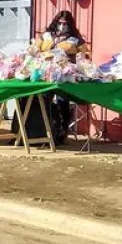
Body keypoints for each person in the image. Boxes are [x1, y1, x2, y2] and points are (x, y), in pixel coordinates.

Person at [42, 10, 86, 144]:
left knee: (63, 101)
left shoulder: (75, 38)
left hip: (66, 75)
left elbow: (86, 54)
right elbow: (35, 49)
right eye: (60, 23)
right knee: (44, 99)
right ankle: (46, 130)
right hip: (47, 74)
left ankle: (63, 131)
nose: (62, 26)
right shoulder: (47, 35)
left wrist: (79, 59)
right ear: (56, 23)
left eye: (65, 24)